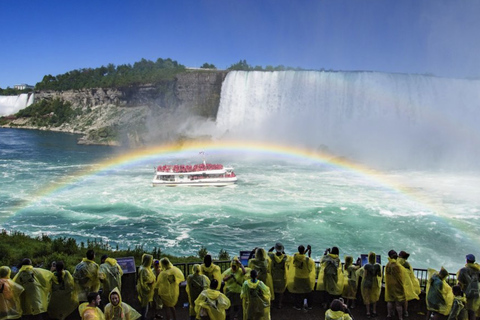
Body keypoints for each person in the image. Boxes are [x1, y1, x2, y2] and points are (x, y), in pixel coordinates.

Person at [287, 245, 315, 311]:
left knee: (297, 292)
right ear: (303, 250)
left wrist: (306, 251)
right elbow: (310, 267)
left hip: (297, 277)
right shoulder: (307, 260)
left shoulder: (295, 257)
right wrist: (309, 252)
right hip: (306, 277)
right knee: (309, 291)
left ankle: (298, 306)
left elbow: (301, 256)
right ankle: (309, 305)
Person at [456, 254, 480, 320]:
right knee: (472, 312)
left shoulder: (463, 270)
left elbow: (460, 283)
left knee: (463, 312)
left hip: (466, 293)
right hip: (476, 294)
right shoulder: (478, 270)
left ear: (467, 260)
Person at [358, 252, 382, 318]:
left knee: (366, 296)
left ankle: (368, 312)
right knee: (374, 296)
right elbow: (379, 275)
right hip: (375, 283)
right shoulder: (378, 265)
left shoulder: (366, 266)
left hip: (367, 282)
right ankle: (374, 311)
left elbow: (365, 275)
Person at [267, 242, 290, 309]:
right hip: (282, 278)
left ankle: (272, 303)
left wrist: (273, 248)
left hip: (273, 277)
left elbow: (268, 252)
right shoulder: (285, 258)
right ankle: (279, 304)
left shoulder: (272, 256)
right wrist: (282, 251)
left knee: (273, 291)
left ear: (276, 249)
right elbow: (286, 256)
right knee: (281, 292)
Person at [398, 251, 420, 317]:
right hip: (406, 284)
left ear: (400, 255)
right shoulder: (407, 264)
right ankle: (405, 312)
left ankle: (394, 313)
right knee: (405, 299)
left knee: (397, 299)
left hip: (398, 283)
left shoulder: (399, 262)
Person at [385, 250, 406, 320]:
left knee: (390, 300)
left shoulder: (388, 264)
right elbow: (401, 276)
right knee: (398, 303)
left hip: (390, 285)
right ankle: (400, 317)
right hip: (397, 285)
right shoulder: (397, 265)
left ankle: (389, 314)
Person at [137, 254, 155, 320]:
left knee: (145, 304)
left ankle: (144, 316)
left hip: (146, 290)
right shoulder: (144, 270)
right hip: (145, 291)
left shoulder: (144, 268)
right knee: (144, 305)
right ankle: (143, 317)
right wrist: (150, 283)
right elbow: (144, 281)